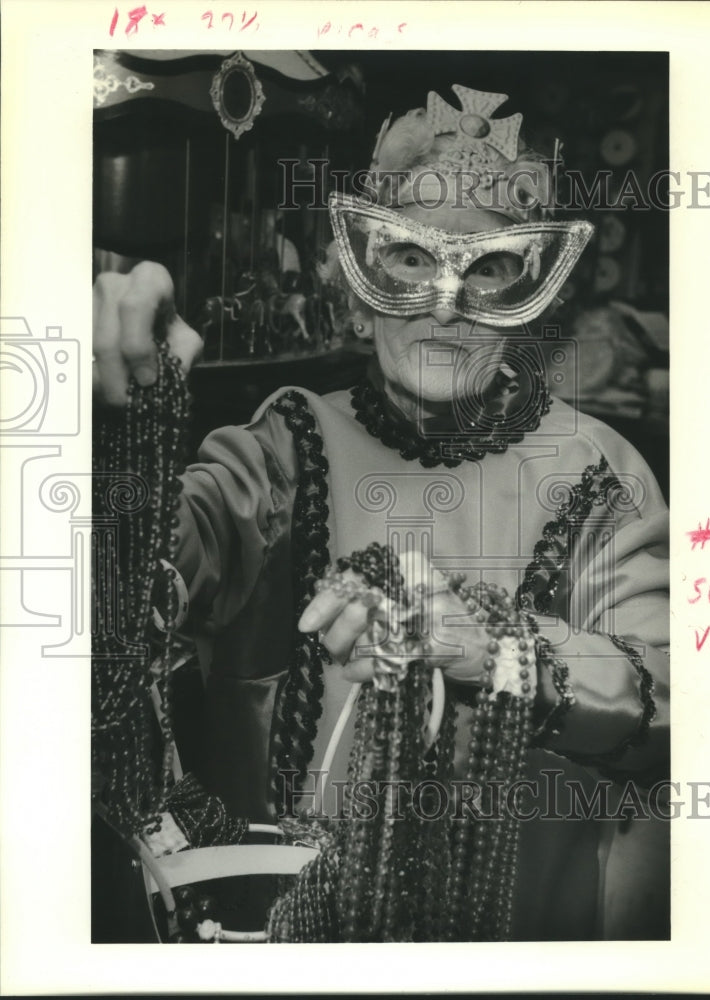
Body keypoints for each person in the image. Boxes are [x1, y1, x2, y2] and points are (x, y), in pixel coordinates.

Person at [93, 84, 670, 941]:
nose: (444, 304)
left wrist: (494, 648)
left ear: (536, 292)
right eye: (408, 260)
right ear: (357, 279)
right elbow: (122, 602)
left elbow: (678, 704)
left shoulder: (596, 468)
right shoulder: (286, 444)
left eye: (489, 267)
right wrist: (110, 437)